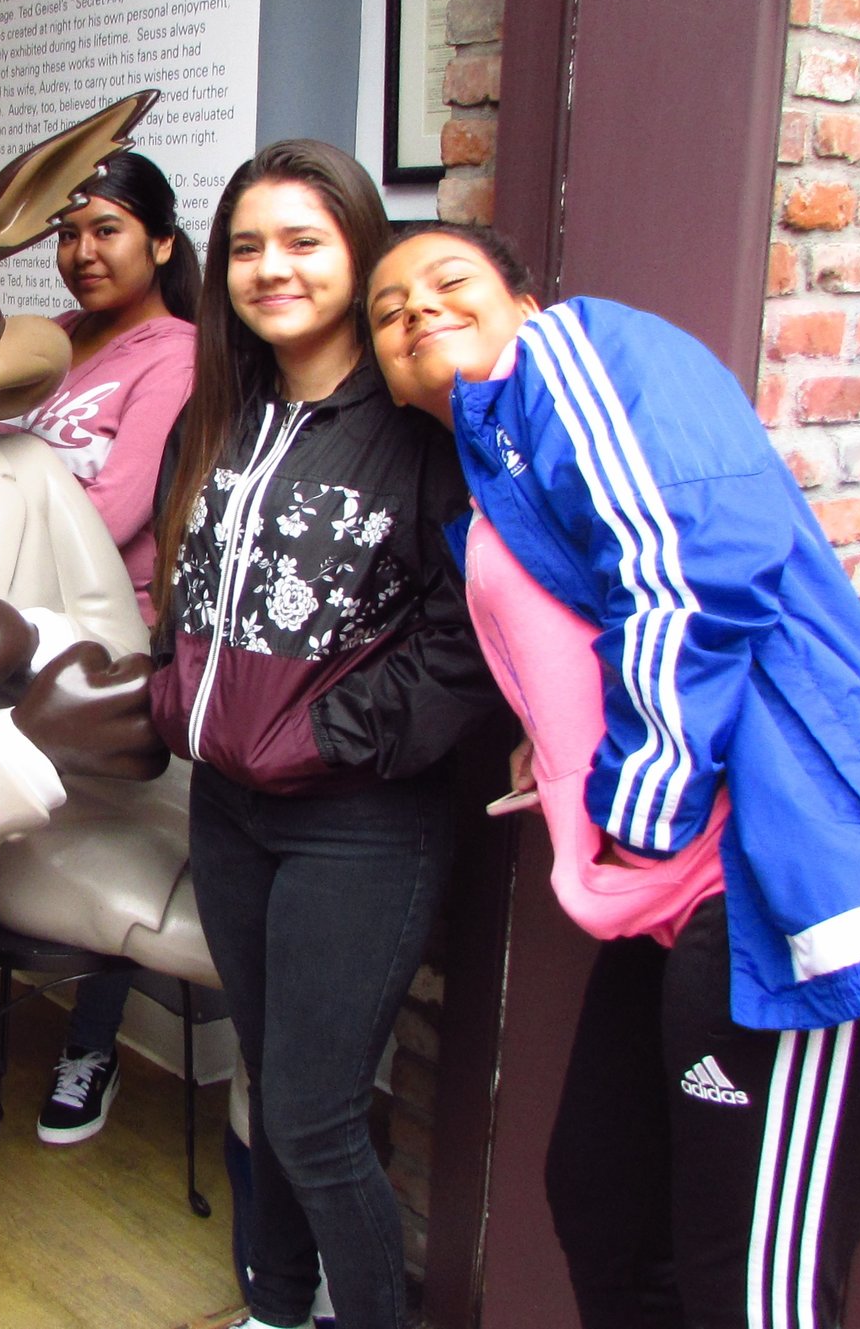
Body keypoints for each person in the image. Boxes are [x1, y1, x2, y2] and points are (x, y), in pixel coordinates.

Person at [367, 223, 860, 1329]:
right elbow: (595, 620)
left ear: (528, 301)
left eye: (448, 281)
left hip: (807, 889)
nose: (416, 311)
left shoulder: (577, 357)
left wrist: (632, 803)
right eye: (386, 314)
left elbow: (690, 567)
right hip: (692, 901)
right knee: (601, 1201)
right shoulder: (501, 466)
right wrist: (555, 739)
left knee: (750, 1293)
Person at [145, 143, 509, 1329]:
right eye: (247, 246)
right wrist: (169, 701)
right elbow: (178, 597)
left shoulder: (418, 422)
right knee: (268, 1083)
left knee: (312, 1111)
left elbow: (467, 637)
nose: (271, 269)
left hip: (361, 819)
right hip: (229, 809)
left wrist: (326, 735)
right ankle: (275, 1308)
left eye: (303, 241)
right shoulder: (216, 415)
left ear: (357, 251)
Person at [0, 149, 201, 1146]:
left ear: (160, 242)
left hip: (101, 637)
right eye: (68, 233)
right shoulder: (54, 339)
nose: (81, 251)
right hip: (2, 629)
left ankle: (92, 1042)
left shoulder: (178, 355)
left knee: (101, 835)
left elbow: (113, 509)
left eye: (105, 229)